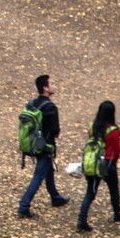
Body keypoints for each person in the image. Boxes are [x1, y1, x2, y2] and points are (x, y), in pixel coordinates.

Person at [17, 74, 70, 218]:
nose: (55, 86)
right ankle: (24, 206)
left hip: (34, 143)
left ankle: (55, 197)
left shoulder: (33, 103)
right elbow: (55, 130)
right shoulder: (50, 107)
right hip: (44, 146)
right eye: (52, 84)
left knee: (48, 170)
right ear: (45, 88)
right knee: (39, 175)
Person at [77, 100, 120, 232]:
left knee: (90, 192)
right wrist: (114, 161)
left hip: (92, 162)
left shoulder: (92, 126)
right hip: (107, 163)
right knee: (113, 189)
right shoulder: (113, 130)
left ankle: (82, 219)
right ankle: (117, 213)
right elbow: (116, 149)